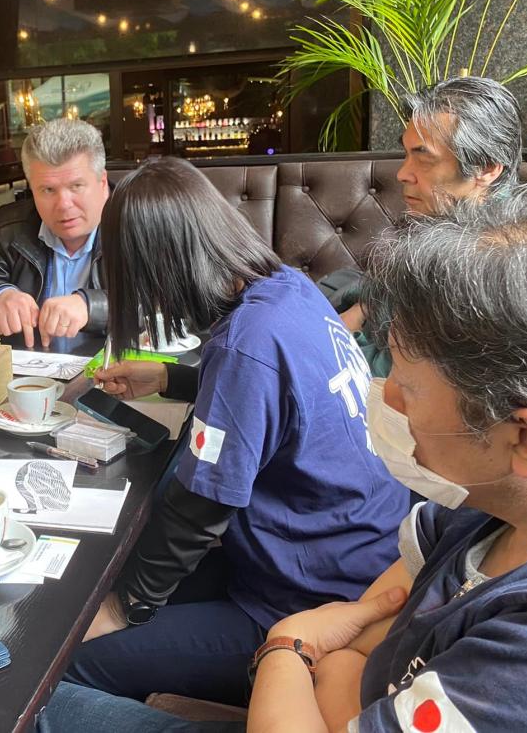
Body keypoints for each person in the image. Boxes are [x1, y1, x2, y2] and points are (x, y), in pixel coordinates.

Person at [41, 181, 527, 733]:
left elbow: (329, 634)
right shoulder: (483, 513)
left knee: (52, 673)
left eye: (409, 387)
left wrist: (289, 648)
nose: (384, 397)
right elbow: (365, 639)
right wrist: (333, 666)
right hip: (303, 569)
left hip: (299, 590)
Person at [65, 158, 407, 707]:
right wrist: (170, 377)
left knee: (71, 659)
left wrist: (125, 607)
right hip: (357, 549)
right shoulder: (289, 288)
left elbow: (199, 507)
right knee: (109, 580)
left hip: (307, 597)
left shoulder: (247, 343)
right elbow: (276, 400)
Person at [324, 76, 523, 376]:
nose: (403, 174)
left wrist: (336, 336)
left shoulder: (489, 265)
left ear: (486, 168)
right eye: (406, 155)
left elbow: (405, 376)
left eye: (424, 158)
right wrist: (361, 308)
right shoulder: (446, 224)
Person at [0, 119, 110, 348]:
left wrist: (91, 306)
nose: (64, 204)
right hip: (30, 368)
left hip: (113, 369)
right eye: (48, 190)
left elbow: (156, 302)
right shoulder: (13, 228)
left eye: (76, 186)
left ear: (102, 183)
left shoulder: (134, 225)